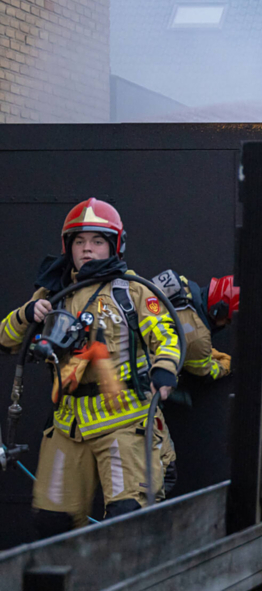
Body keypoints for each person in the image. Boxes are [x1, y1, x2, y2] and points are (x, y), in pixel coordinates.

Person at [0, 198, 180, 536]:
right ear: (68, 247)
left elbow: (166, 336)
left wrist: (165, 370)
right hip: (68, 424)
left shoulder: (134, 290)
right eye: (79, 241)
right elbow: (5, 341)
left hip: (124, 421)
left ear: (114, 245)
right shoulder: (52, 293)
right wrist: (27, 314)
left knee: (129, 521)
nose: (87, 250)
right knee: (53, 524)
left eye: (97, 241)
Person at [149, 270, 238, 498]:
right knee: (163, 473)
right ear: (219, 309)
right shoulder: (199, 338)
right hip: (142, 386)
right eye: (227, 318)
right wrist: (226, 364)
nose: (226, 324)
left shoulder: (184, 285)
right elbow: (203, 371)